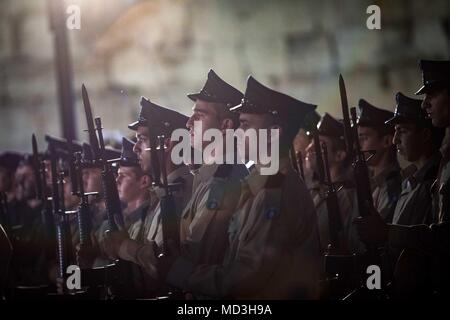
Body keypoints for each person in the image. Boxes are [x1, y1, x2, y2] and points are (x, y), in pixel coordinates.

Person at [162, 75, 321, 299]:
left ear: (273, 134)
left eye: (245, 125)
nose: (236, 132)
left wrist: (178, 271)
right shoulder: (258, 186)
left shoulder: (275, 192)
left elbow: (245, 279)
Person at [354, 59, 450, 298]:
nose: (426, 103)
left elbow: (443, 238)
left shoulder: (424, 179)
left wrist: (387, 233)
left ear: (426, 135)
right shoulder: (416, 179)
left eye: (434, 93)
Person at [357, 99, 402, 223]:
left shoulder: (393, 187)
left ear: (387, 141)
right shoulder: (374, 184)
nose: (358, 145)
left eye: (364, 138)